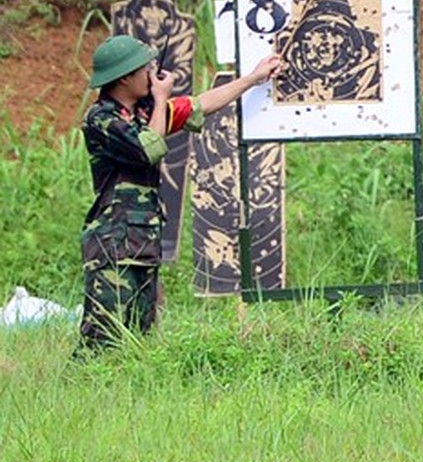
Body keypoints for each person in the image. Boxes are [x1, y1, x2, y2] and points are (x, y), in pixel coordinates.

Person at [77, 34, 281, 351]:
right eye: (145, 68)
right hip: (112, 244)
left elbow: (201, 104)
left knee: (138, 341)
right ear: (125, 77)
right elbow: (151, 147)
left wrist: (253, 78)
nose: (152, 73)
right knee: (101, 340)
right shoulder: (102, 119)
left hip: (142, 242)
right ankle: (80, 392)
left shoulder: (144, 114)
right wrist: (160, 100)